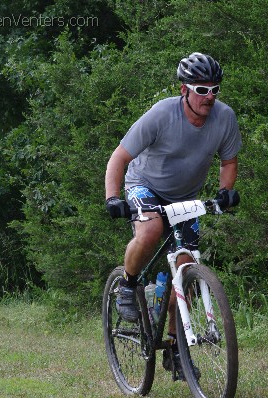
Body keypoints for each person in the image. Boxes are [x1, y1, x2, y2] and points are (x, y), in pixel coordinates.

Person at [104, 52, 241, 380]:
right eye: (201, 90)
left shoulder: (225, 118)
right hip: (144, 186)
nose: (209, 97)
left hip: (184, 197)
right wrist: (113, 197)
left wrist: (225, 191)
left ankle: (176, 343)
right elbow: (119, 158)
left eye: (214, 90)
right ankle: (128, 284)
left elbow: (228, 161)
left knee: (185, 268)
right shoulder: (162, 114)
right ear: (184, 90)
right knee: (149, 233)